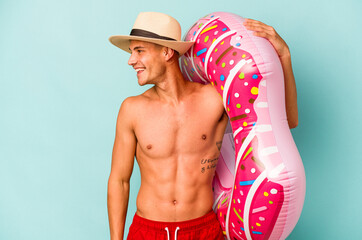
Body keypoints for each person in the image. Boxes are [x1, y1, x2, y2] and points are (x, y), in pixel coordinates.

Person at [107, 12, 298, 240]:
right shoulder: (132, 109)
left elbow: (286, 120)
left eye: (139, 51)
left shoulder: (214, 99)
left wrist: (284, 55)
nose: (131, 60)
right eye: (131, 52)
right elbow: (120, 181)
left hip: (201, 230)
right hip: (148, 231)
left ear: (167, 52)